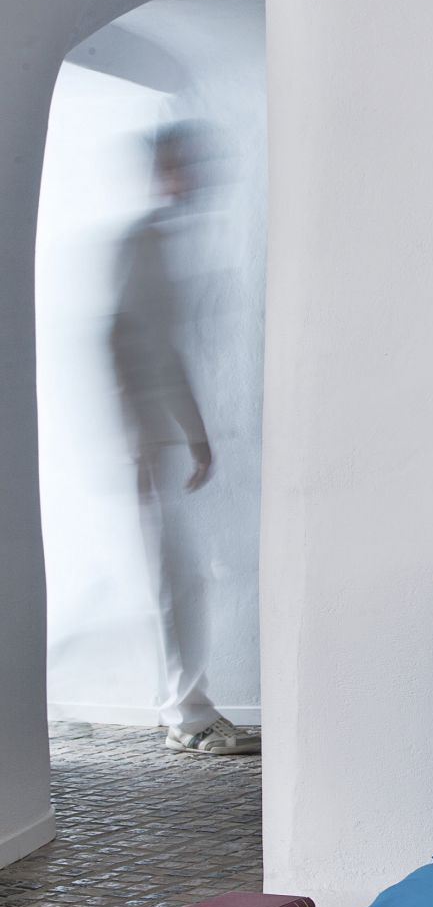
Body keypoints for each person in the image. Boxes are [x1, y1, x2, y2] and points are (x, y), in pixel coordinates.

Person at [110, 121, 259, 755]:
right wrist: (141, 441)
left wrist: (197, 434)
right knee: (176, 578)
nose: (192, 175)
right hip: (153, 441)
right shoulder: (142, 243)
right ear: (160, 170)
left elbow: (170, 350)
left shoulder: (174, 244)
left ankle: (188, 707)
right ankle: (187, 715)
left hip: (172, 437)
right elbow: (123, 340)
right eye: (179, 164)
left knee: (191, 577)